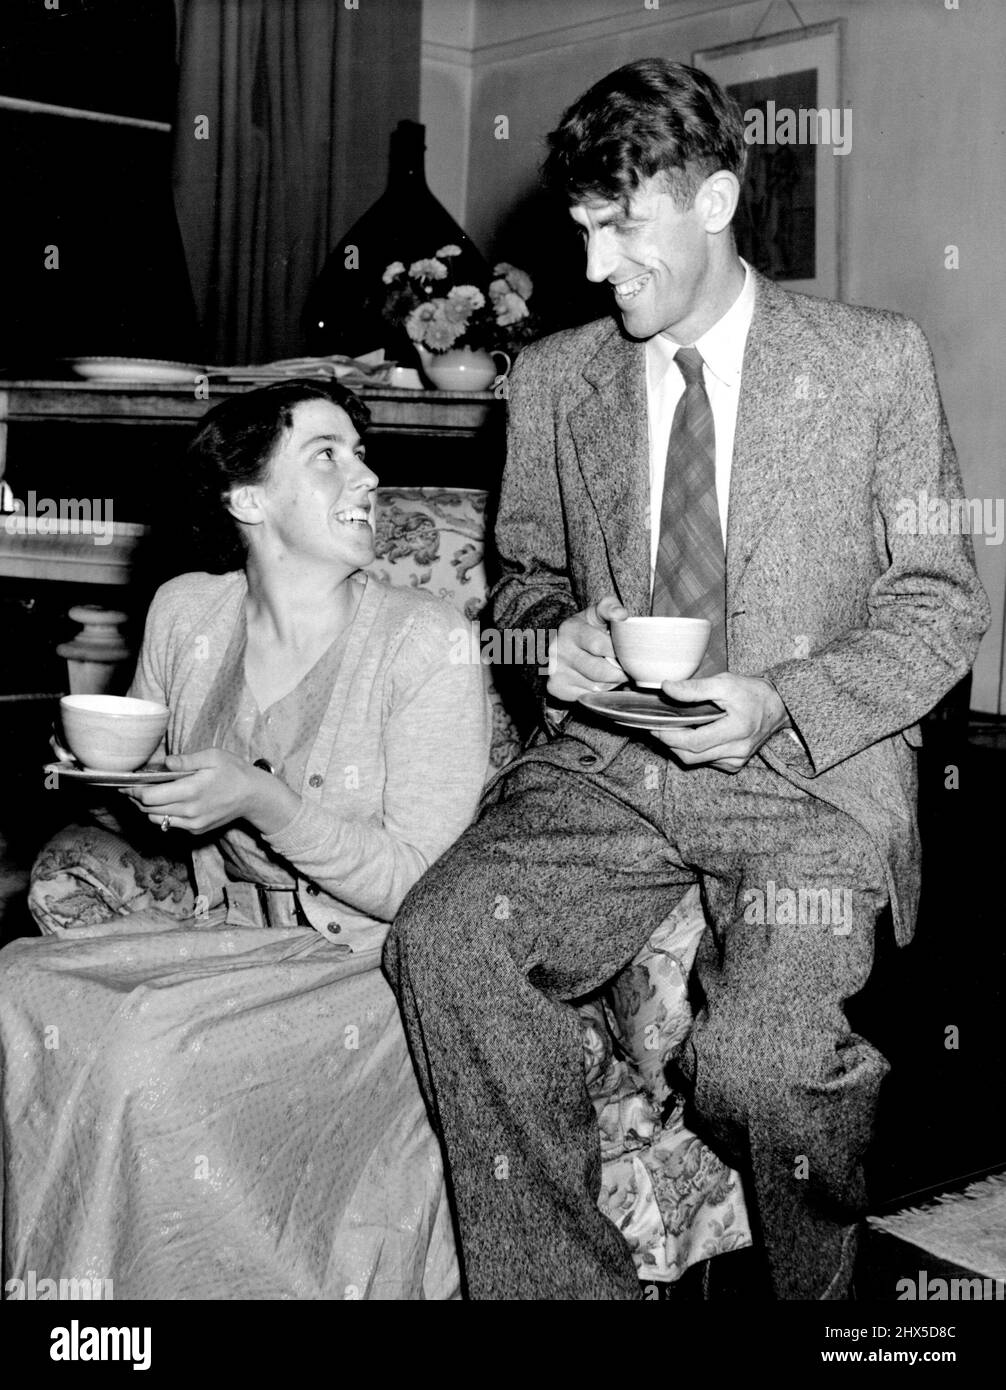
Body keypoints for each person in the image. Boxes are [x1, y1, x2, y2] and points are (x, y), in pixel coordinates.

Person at [384, 59, 991, 1300]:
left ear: (713, 200)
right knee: (443, 942)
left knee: (758, 1067)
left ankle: (823, 1300)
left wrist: (779, 699)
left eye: (621, 227)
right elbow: (526, 573)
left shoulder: (875, 362)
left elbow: (941, 603)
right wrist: (555, 631)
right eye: (581, 232)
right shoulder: (556, 378)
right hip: (606, 770)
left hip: (800, 784)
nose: (597, 267)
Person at [0, 379, 491, 1299]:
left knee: (141, 1048)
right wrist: (103, 768)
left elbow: (421, 887)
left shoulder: (427, 644)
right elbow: (145, 796)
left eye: (362, 450)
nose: (369, 475)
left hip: (370, 973)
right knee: (13, 986)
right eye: (329, 455)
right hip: (230, 939)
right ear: (247, 500)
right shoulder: (188, 613)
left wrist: (263, 802)